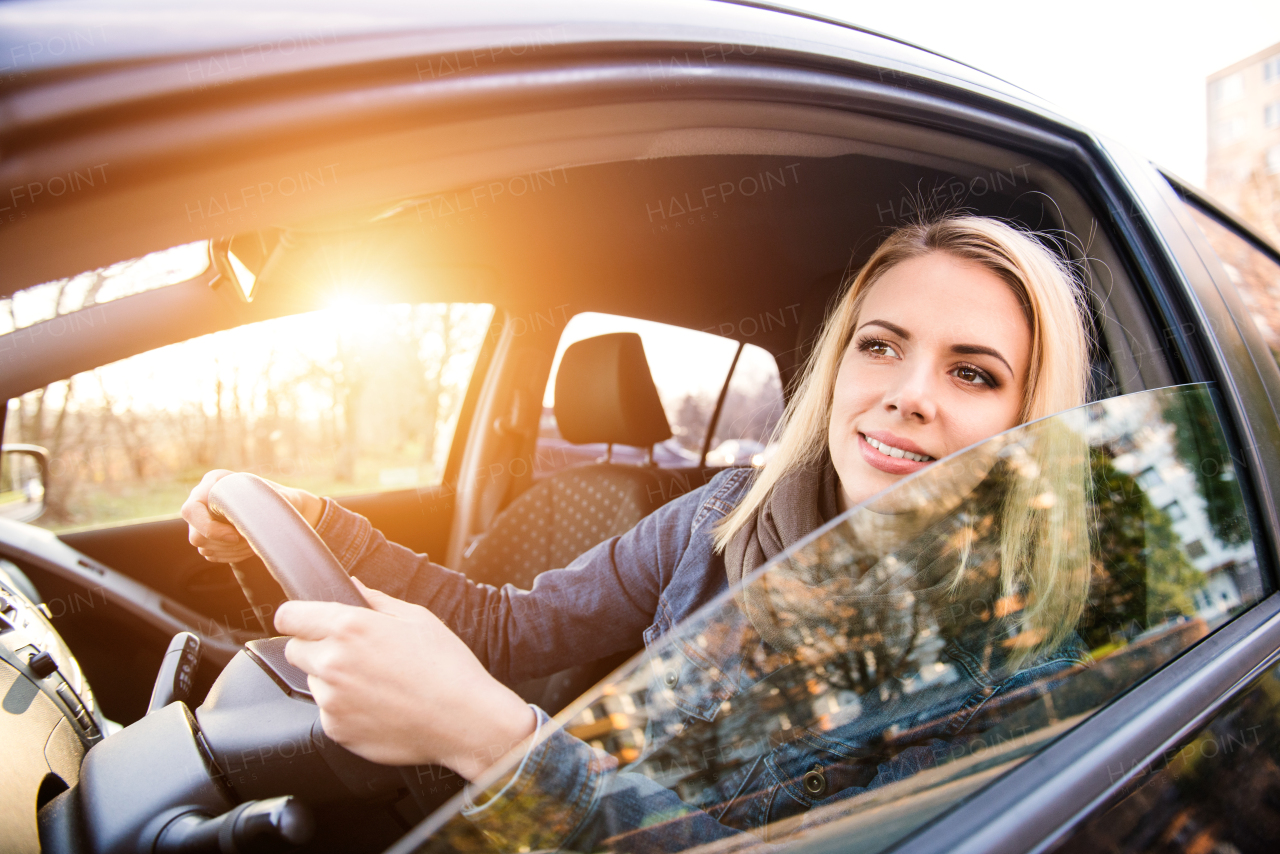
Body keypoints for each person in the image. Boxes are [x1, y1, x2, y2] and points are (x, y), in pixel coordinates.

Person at [183, 215, 1095, 850]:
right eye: (882, 344)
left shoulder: (1017, 664)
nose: (908, 393)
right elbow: (509, 631)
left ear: (1031, 414)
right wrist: (322, 525)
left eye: (973, 374)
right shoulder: (719, 514)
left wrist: (493, 740)